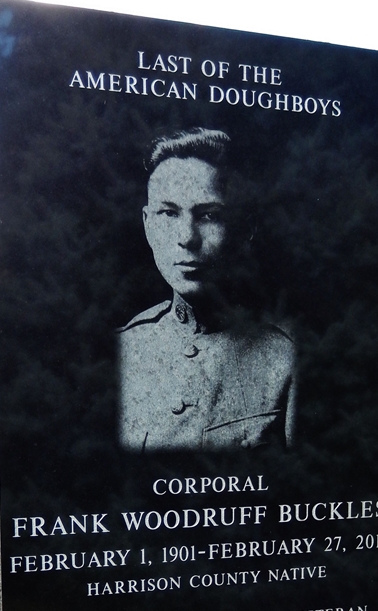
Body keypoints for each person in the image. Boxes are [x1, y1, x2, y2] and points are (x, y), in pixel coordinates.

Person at [118, 128, 295, 451]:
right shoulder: (126, 348)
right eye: (169, 213)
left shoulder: (285, 359)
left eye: (209, 215)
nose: (187, 237)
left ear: (245, 229)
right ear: (148, 224)